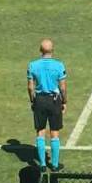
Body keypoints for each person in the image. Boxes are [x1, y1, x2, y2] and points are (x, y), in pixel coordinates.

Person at [28, 38, 67, 170]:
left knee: (40, 131)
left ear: (40, 50)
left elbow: (30, 87)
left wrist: (33, 100)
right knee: (54, 132)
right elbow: (62, 87)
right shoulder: (59, 65)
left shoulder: (33, 65)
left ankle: (43, 164)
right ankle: (55, 165)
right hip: (54, 100)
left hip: (39, 99)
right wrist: (64, 101)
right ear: (53, 50)